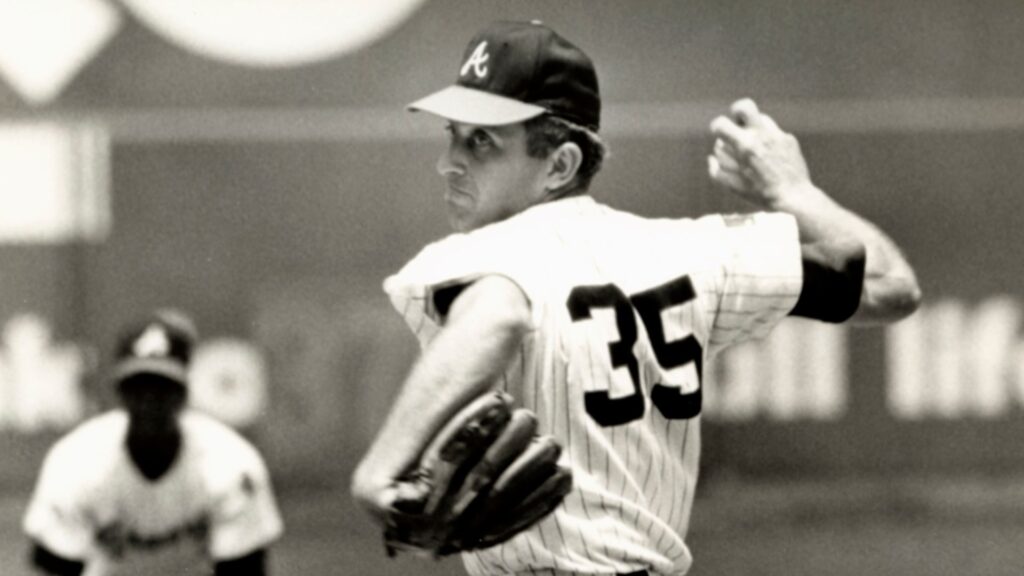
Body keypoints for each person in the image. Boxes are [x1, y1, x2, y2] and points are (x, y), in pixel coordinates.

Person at [352, 19, 921, 576]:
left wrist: (377, 471)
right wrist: (794, 192)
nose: (448, 162)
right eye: (451, 134)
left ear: (559, 164)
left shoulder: (480, 256)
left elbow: (497, 316)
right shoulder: (691, 252)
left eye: (482, 141)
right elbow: (890, 287)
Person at [23, 309, 284, 576]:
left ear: (182, 394)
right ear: (121, 393)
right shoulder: (76, 461)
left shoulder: (230, 463)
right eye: (139, 387)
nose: (149, 402)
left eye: (162, 388)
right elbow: (55, 567)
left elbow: (244, 569)